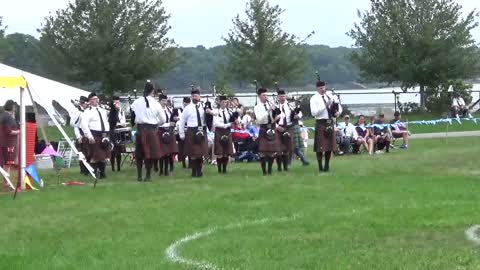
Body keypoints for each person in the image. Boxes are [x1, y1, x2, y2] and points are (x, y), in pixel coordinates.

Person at [131, 81, 166, 182]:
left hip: (140, 130)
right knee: (149, 154)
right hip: (151, 131)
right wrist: (156, 123)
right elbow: (163, 119)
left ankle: (139, 176)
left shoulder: (137, 101)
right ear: (153, 91)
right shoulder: (156, 104)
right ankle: (148, 175)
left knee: (139, 154)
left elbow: (131, 111)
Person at [178, 88, 212, 178]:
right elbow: (182, 121)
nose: (195, 97)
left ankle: (199, 171)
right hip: (191, 131)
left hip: (202, 130)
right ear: (191, 97)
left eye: (196, 96)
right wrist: (181, 133)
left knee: (200, 154)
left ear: (199, 96)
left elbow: (212, 115)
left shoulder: (204, 107)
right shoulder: (187, 108)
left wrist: (210, 112)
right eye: (193, 96)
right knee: (193, 154)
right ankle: (193, 172)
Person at [310, 80, 342, 172]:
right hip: (320, 122)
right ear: (317, 88)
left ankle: (327, 166)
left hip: (330, 122)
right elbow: (314, 113)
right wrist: (325, 105)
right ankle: (320, 167)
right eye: (320, 87)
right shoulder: (314, 98)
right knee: (320, 147)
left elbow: (338, 106)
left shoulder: (330, 96)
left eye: (323, 87)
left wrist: (338, 112)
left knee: (329, 146)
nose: (322, 89)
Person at [80, 93, 111, 179]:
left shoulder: (102, 110)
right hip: (94, 135)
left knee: (105, 155)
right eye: (94, 99)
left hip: (104, 134)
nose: (96, 100)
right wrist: (89, 136)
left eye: (97, 98)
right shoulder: (87, 112)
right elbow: (84, 125)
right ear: (90, 101)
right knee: (97, 155)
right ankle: (97, 172)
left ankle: (102, 173)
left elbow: (106, 121)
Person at [254, 88, 281, 175]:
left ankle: (269, 170)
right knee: (263, 152)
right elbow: (259, 120)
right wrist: (268, 111)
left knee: (271, 152)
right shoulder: (257, 107)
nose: (266, 97)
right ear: (259, 96)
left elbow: (278, 116)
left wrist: (276, 116)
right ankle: (264, 172)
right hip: (263, 128)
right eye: (263, 95)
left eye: (266, 95)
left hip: (272, 127)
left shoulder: (271, 104)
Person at [157, 93, 178, 176]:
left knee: (168, 152)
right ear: (159, 101)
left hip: (169, 131)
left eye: (165, 100)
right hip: (160, 130)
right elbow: (157, 122)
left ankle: (166, 170)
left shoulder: (169, 110)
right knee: (162, 152)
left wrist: (174, 121)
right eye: (162, 100)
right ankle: (161, 170)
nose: (164, 102)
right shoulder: (157, 110)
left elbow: (172, 119)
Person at [213, 95, 234, 173]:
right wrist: (227, 125)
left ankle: (224, 169)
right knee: (219, 152)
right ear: (219, 102)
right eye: (223, 102)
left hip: (227, 132)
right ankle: (219, 169)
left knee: (226, 153)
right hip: (219, 131)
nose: (224, 104)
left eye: (225, 102)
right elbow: (216, 123)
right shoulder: (215, 111)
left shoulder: (229, 112)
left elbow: (232, 121)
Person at [275, 89, 295, 172]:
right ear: (277, 97)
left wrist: (297, 116)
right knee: (278, 149)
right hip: (278, 127)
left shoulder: (291, 105)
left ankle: (286, 167)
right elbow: (271, 118)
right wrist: (276, 126)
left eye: (283, 96)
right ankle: (279, 167)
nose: (282, 98)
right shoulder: (275, 106)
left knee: (287, 148)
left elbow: (298, 114)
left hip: (288, 127)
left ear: (286, 96)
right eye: (280, 96)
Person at [0, 100, 20, 178]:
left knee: (6, 163)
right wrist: (18, 132)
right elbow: (8, 131)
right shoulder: (8, 117)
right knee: (7, 164)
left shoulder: (2, 115)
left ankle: (6, 181)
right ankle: (7, 182)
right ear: (12, 107)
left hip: (3, 142)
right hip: (9, 144)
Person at [70, 96, 89, 175]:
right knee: (82, 152)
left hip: (88, 132)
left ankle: (89, 168)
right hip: (81, 132)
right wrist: (78, 136)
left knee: (89, 152)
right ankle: (83, 170)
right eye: (85, 103)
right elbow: (74, 125)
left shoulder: (88, 111)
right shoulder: (77, 111)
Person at [108, 96, 127, 172]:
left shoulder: (121, 111)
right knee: (113, 150)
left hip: (120, 130)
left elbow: (124, 121)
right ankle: (113, 167)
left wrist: (123, 124)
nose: (117, 104)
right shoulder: (110, 111)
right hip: (113, 130)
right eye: (115, 103)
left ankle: (119, 166)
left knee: (119, 150)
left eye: (118, 102)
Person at [176, 97, 191, 169]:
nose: (187, 105)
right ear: (183, 103)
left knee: (190, 147)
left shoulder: (191, 110)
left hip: (189, 130)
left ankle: (191, 163)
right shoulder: (178, 110)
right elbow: (175, 118)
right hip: (181, 129)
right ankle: (183, 162)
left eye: (188, 104)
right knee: (181, 147)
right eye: (185, 103)